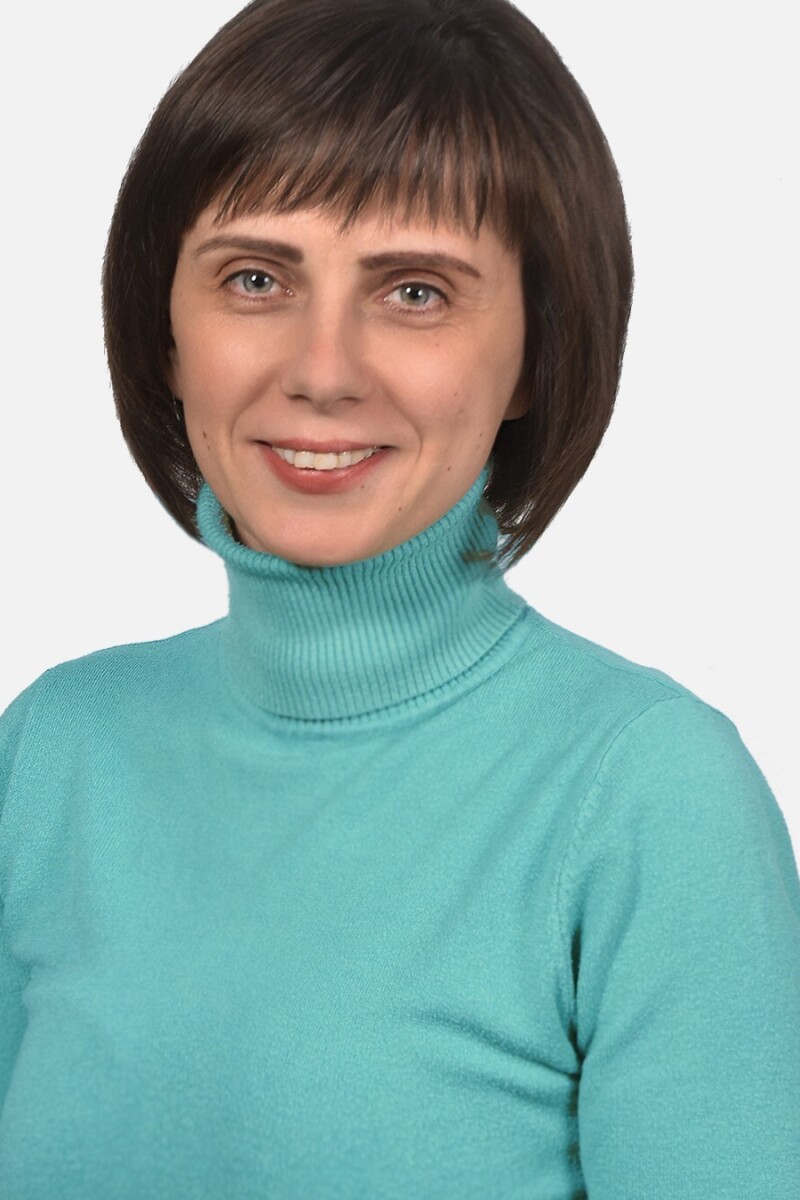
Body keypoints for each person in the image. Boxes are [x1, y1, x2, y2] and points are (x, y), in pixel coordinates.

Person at [1, 0, 798, 1195]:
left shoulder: (648, 799)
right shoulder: (50, 752)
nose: (321, 370)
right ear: (164, 328)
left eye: (415, 291)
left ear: (533, 348)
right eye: (255, 277)